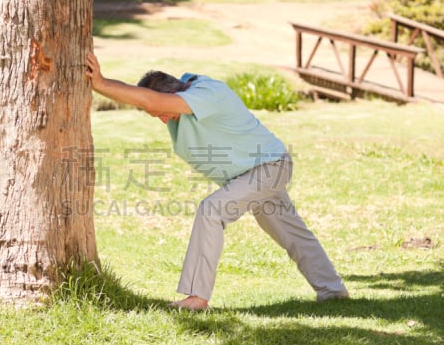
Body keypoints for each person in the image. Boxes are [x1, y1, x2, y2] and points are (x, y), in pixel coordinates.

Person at [85, 51, 349, 310]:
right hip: (253, 172)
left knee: (211, 211)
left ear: (173, 96)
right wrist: (104, 82)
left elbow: (153, 102)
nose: (163, 119)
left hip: (268, 168)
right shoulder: (188, 95)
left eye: (162, 113)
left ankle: (197, 297)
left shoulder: (209, 94)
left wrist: (102, 84)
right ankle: (333, 292)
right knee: (293, 233)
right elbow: (150, 101)